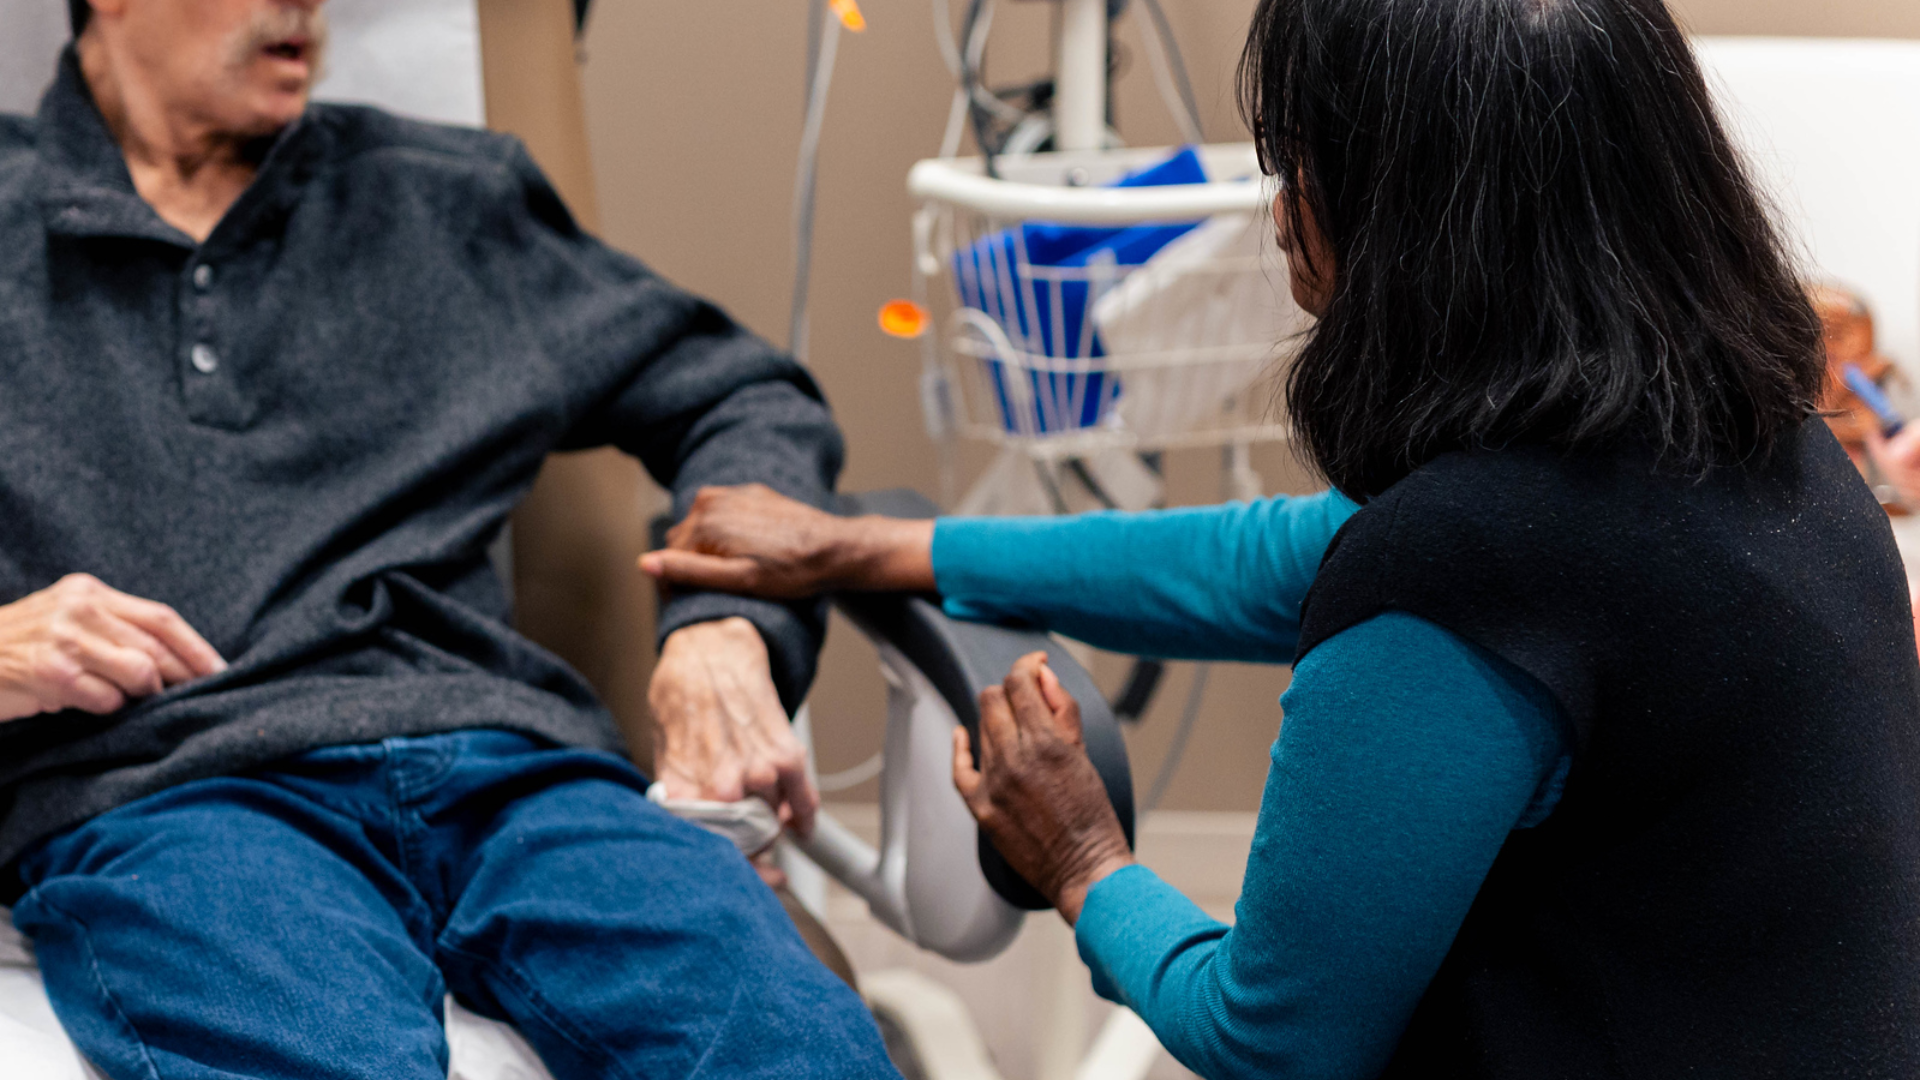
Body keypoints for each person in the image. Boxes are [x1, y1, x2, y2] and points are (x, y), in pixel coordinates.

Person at [643, 0, 1920, 1075]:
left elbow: (1277, 1044)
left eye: (1294, 162)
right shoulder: (1768, 448)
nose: (1275, 209)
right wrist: (887, 552)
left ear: (1397, 218)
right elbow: (1270, 558)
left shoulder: (1467, 565)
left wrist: (1084, 863)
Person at [0, 0, 898, 1077]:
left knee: (797, 1051)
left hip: (514, 773)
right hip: (183, 794)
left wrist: (726, 626)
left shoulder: (448, 199)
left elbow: (749, 399)